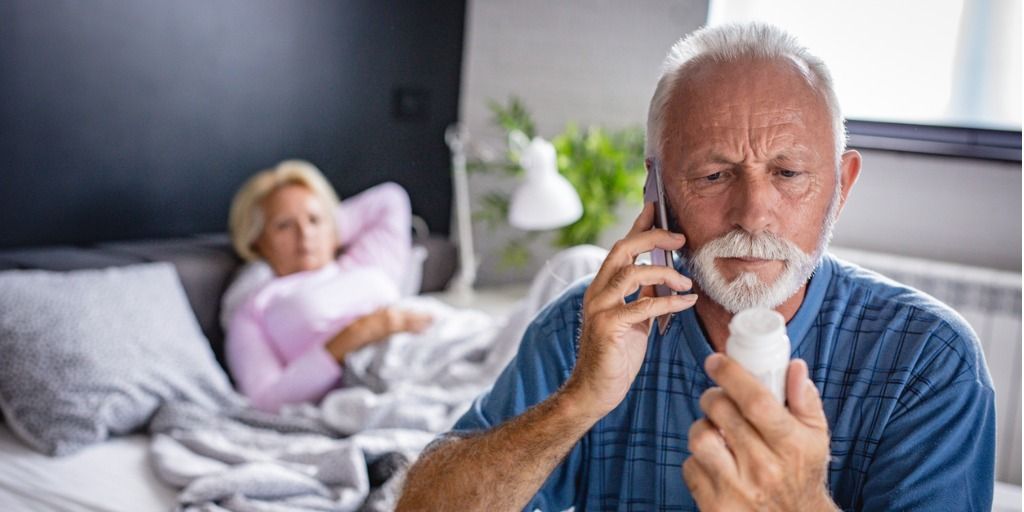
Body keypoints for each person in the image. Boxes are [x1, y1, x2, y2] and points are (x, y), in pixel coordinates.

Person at [398, 23, 995, 511]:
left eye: (788, 174)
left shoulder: (929, 359)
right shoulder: (589, 332)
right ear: (655, 190)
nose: (754, 215)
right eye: (713, 176)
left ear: (840, 188)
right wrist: (578, 401)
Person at [225, 160, 432, 412]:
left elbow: (390, 198)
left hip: (434, 337)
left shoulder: (360, 262)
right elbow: (265, 398)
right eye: (284, 225)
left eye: (313, 220)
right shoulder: (256, 307)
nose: (304, 234)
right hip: (387, 375)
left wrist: (329, 230)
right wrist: (359, 332)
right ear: (256, 239)